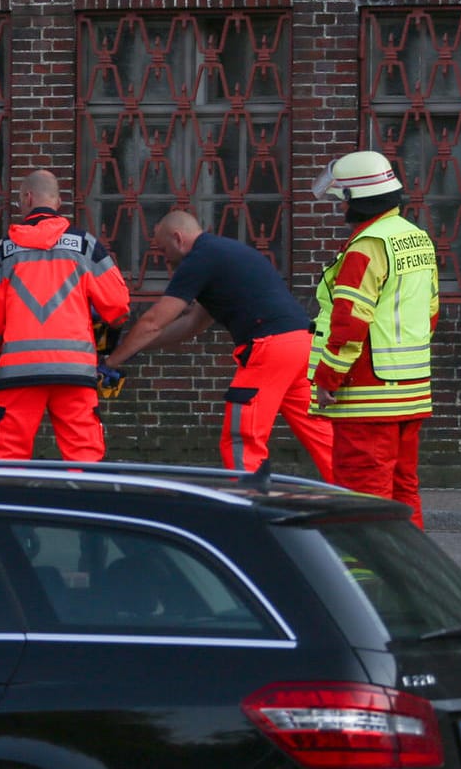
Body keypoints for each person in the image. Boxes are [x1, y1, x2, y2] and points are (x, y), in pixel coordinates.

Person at [103, 211, 333, 480]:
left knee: (242, 440)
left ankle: (249, 507)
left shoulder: (198, 259)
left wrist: (111, 361)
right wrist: (136, 348)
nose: (162, 257)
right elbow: (192, 324)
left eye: (163, 249)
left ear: (178, 238)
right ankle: (364, 503)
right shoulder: (224, 253)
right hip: (302, 345)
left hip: (269, 348)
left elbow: (153, 321)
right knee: (324, 438)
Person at [307, 150, 439, 529]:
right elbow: (429, 312)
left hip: (366, 396)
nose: (340, 208)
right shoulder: (417, 239)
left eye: (342, 199)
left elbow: (349, 323)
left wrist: (328, 377)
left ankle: (366, 583)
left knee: (363, 497)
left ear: (355, 199)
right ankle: (409, 575)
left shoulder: (367, 247)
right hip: (410, 394)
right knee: (403, 492)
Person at [0, 170, 130, 463]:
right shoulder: (85, 245)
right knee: (85, 460)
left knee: (10, 461)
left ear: (27, 198)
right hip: (74, 371)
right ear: (57, 202)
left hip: (19, 373)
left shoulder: (4, 251)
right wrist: (104, 345)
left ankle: (10, 510)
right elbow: (118, 306)